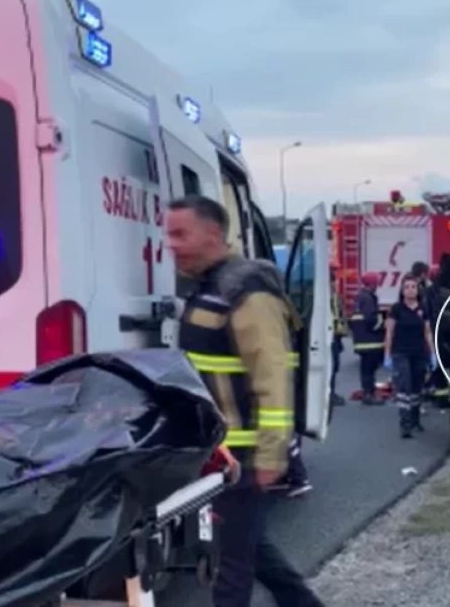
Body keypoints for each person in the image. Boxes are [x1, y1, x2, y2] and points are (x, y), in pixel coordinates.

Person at [165, 195, 324, 607]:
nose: (172, 244)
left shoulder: (247, 292)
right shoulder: (210, 288)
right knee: (251, 549)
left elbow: (273, 377)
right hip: (220, 450)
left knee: (231, 567)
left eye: (181, 233)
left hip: (244, 454)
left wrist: (271, 454)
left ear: (213, 233)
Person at [384, 275, 437, 438]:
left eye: (413, 286)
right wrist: (387, 355)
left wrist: (433, 354)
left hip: (419, 354)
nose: (410, 290)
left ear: (417, 289)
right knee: (404, 387)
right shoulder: (396, 309)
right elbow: (389, 332)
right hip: (401, 353)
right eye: (407, 287)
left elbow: (427, 333)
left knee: (416, 388)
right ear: (402, 290)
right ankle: (405, 424)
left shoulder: (423, 309)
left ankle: (415, 420)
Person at [350, 271, 386, 406]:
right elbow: (372, 320)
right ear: (372, 284)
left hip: (362, 341)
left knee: (366, 369)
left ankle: (368, 392)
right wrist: (383, 325)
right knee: (369, 370)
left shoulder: (361, 297)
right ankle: (369, 394)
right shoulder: (368, 298)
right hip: (371, 342)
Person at [424, 263, 450, 409]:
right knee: (442, 367)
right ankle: (441, 397)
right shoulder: (446, 291)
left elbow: (426, 314)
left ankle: (438, 395)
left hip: (434, 333)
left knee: (437, 366)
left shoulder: (428, 292)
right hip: (443, 333)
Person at [329, 258, 348, 408]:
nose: (336, 274)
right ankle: (329, 394)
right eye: (334, 271)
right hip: (328, 337)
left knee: (334, 367)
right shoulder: (325, 291)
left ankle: (331, 392)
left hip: (335, 336)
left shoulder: (333, 292)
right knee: (331, 367)